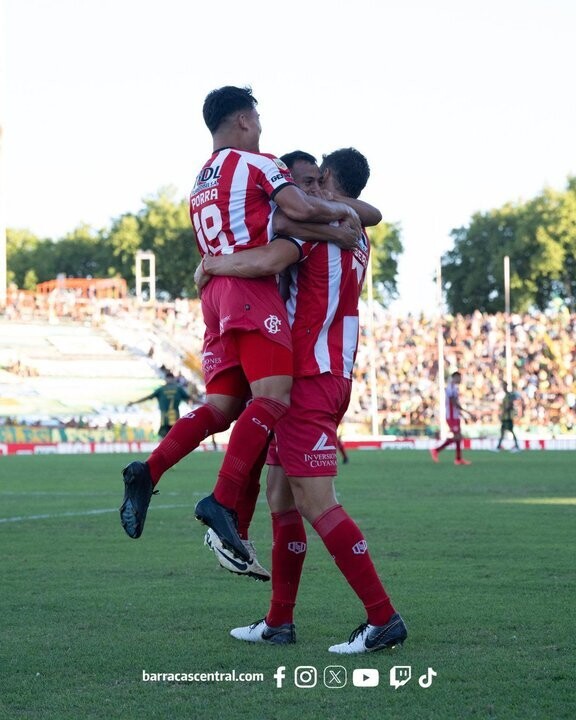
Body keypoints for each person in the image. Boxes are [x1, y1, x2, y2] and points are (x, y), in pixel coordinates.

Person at [119, 86, 362, 566]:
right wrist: (341, 213)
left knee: (222, 404)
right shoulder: (259, 164)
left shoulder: (200, 180)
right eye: (259, 120)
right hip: (250, 289)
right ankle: (222, 499)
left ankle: (149, 470)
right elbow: (299, 211)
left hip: (214, 295)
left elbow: (276, 226)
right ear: (245, 121)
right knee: (273, 397)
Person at [198, 148, 407, 654]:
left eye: (314, 180)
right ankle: (279, 622)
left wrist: (213, 262)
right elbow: (369, 213)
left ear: (330, 180)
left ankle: (382, 618)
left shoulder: (313, 229)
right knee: (281, 496)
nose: (305, 189)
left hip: (310, 375)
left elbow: (269, 258)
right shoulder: (357, 231)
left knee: (317, 502)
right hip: (329, 372)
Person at [127, 372, 190, 438]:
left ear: (173, 379)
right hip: (168, 418)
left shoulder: (175, 389)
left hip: (170, 418)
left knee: (169, 438)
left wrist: (133, 402)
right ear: (166, 379)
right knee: (172, 437)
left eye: (170, 378)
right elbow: (148, 397)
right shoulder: (166, 389)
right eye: (168, 378)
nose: (169, 380)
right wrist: (134, 402)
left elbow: (190, 398)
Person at [430, 370, 474, 465]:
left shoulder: (454, 387)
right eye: (459, 378)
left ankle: (458, 459)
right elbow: (453, 402)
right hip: (451, 416)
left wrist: (461, 413)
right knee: (457, 437)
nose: (460, 380)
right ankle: (436, 450)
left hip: (455, 415)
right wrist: (465, 412)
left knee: (458, 437)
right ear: (455, 377)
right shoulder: (451, 387)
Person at [496, 385, 521, 451]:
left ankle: (517, 446)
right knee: (502, 431)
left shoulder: (509, 396)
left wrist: (504, 411)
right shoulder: (506, 396)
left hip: (508, 417)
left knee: (510, 431)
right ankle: (498, 446)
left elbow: (510, 405)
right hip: (505, 417)